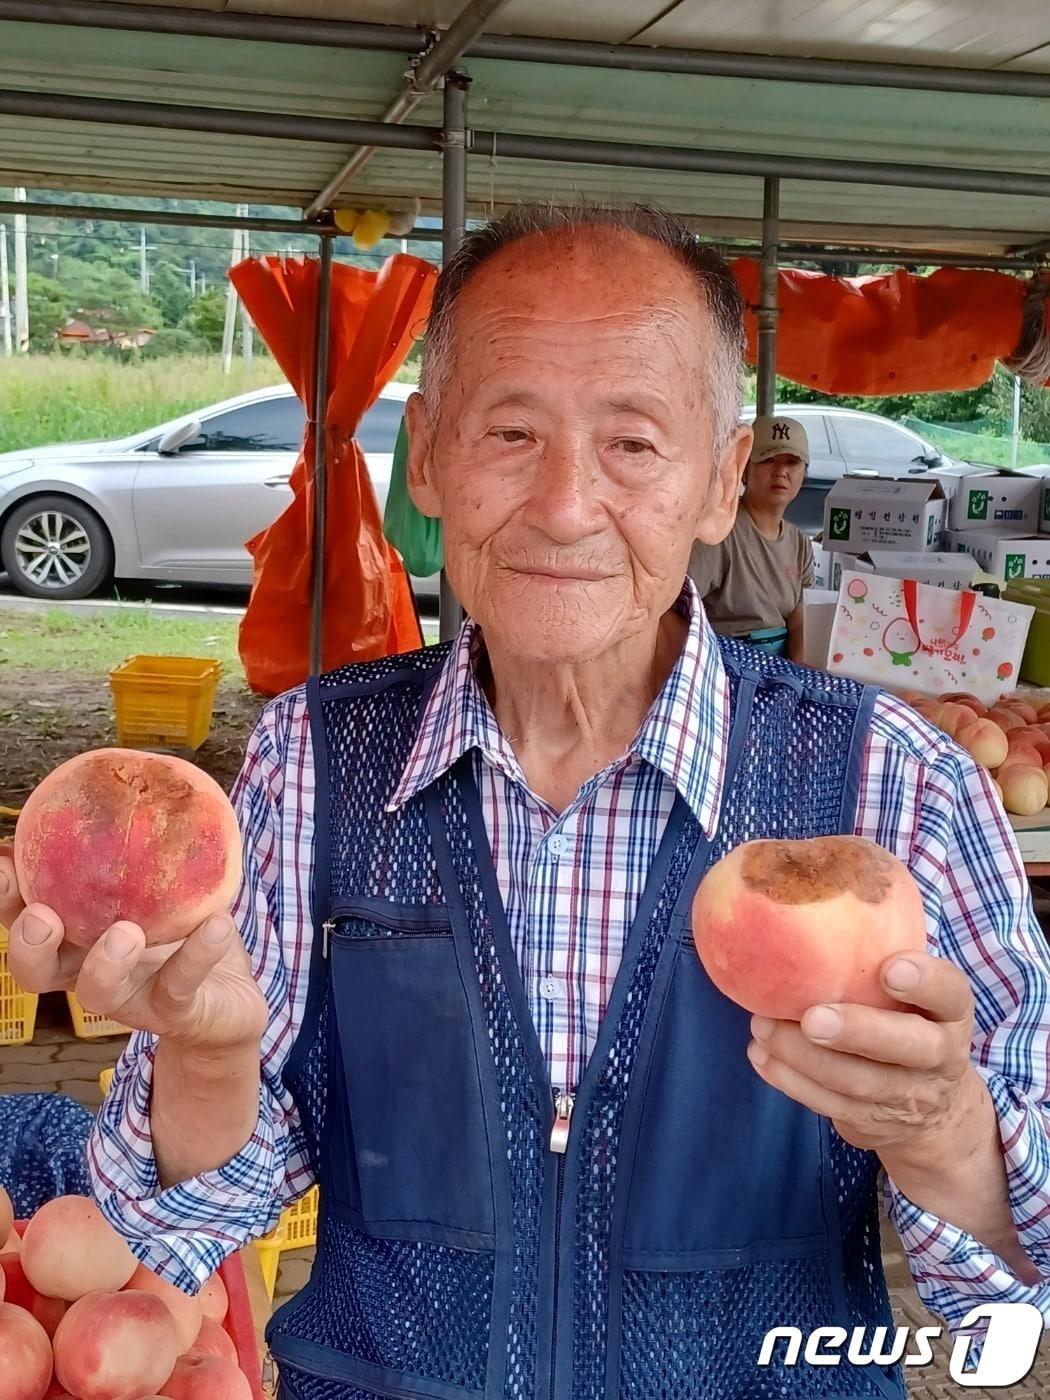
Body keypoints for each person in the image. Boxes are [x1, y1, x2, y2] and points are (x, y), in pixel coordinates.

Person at [5, 203, 1050, 1399]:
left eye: (633, 445)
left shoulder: (896, 789)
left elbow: (1017, 1280)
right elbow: (187, 1216)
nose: (562, 504)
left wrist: (944, 1128)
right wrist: (204, 1050)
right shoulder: (316, 757)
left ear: (721, 482)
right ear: (435, 459)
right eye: (511, 432)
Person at [690, 414, 814, 661]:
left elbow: (801, 624)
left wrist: (799, 678)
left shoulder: (800, 542)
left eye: (792, 462)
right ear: (744, 470)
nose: (781, 472)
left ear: (804, 474)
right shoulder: (719, 529)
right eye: (768, 460)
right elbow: (679, 607)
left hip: (782, 669)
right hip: (728, 663)